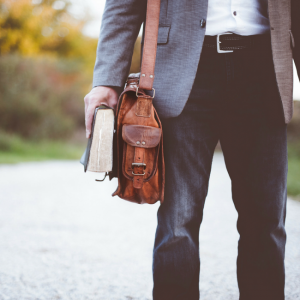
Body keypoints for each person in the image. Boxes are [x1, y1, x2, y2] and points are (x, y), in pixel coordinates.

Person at [84, 1, 300, 299]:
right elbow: (123, 5)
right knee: (177, 222)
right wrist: (107, 79)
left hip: (265, 70)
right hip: (183, 71)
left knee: (267, 223)